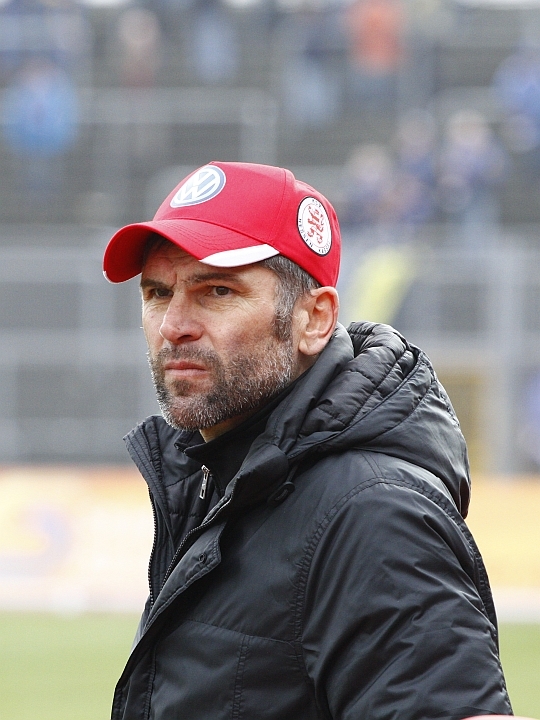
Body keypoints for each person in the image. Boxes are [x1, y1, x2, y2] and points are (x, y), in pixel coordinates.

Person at [103, 161, 512, 720]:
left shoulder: (372, 515)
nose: (174, 325)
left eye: (216, 290)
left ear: (314, 320)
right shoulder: (218, 480)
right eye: (157, 292)